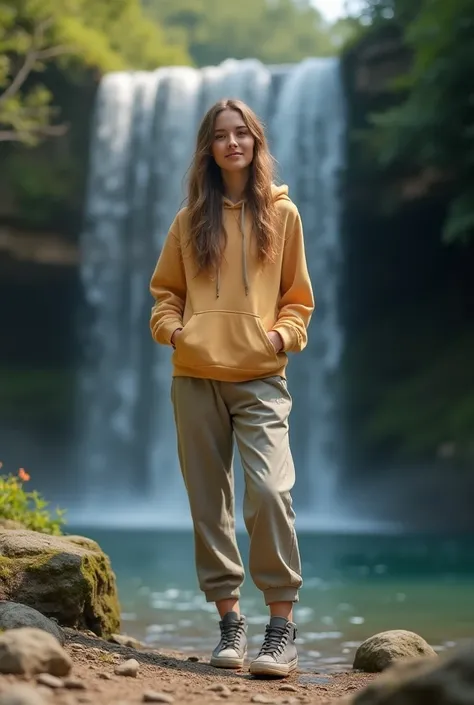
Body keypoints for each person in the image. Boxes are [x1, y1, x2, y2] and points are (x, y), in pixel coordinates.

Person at [149, 98, 314, 678]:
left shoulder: (282, 215)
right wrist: (174, 332)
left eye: (242, 133)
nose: (232, 143)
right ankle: (230, 626)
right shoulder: (189, 218)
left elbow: (299, 299)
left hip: (262, 378)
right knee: (208, 505)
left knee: (270, 493)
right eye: (221, 135)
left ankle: (281, 631)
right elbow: (165, 293)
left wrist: (279, 338)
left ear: (255, 142)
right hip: (195, 377)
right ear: (209, 148)